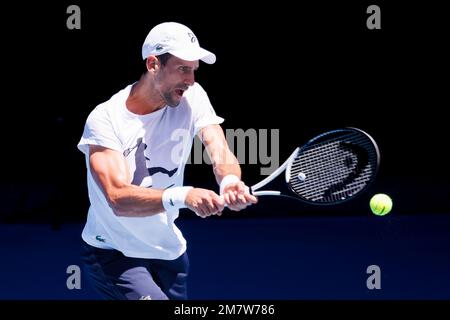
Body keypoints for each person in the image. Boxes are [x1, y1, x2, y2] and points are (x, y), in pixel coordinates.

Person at [77, 22, 257, 300]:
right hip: (115, 252)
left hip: (169, 250)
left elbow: (219, 148)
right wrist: (184, 196)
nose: (191, 79)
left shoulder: (192, 97)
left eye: (194, 69)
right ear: (153, 65)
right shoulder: (105, 120)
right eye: (183, 69)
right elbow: (117, 198)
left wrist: (231, 181)